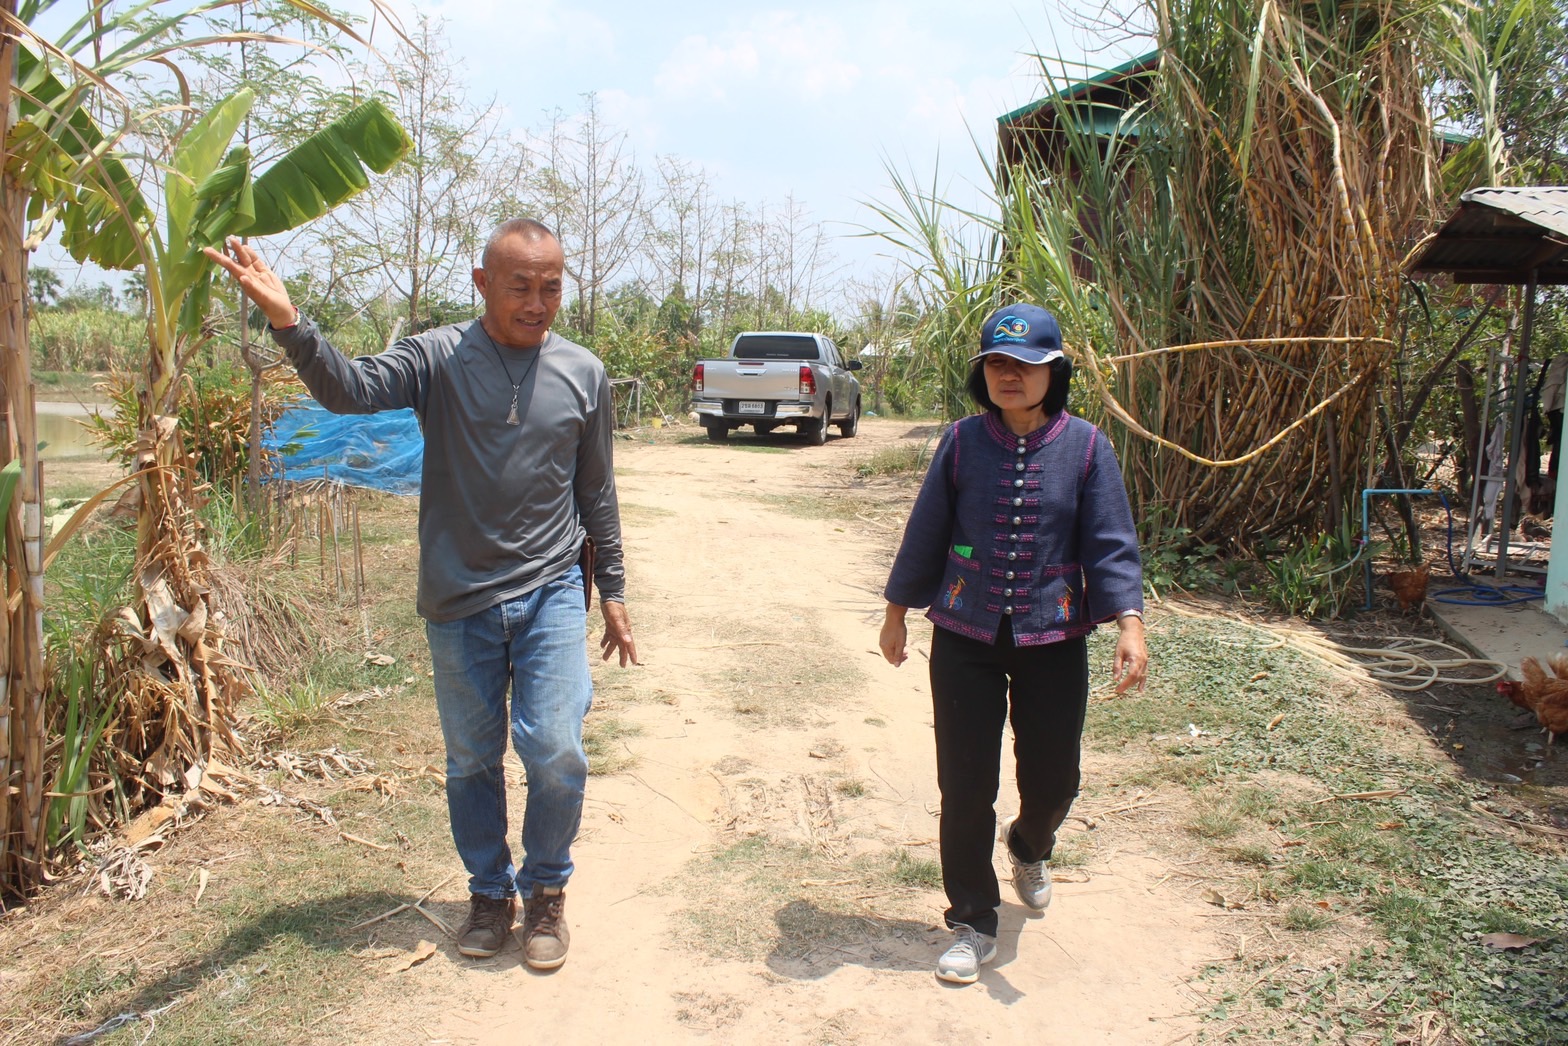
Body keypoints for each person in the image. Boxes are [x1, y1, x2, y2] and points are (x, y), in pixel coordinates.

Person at [205, 219, 637, 971]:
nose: (538, 303)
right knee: (471, 757)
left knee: (557, 749)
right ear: (481, 285)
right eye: (520, 287)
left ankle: (545, 895)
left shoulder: (584, 373)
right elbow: (350, 388)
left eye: (552, 287)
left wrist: (615, 592)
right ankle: (488, 894)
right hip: (459, 597)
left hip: (550, 590)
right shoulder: (440, 357)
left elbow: (595, 489)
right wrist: (287, 320)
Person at [878, 303, 1147, 985]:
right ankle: (972, 919)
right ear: (983, 374)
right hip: (966, 635)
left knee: (1055, 778)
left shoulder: (1087, 446)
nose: (1010, 376)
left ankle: (1030, 844)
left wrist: (1129, 624)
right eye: (997, 363)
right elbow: (927, 531)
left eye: (1026, 366)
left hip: (1053, 636)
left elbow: (1110, 543)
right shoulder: (963, 443)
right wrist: (896, 612)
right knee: (965, 784)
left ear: (1052, 373)